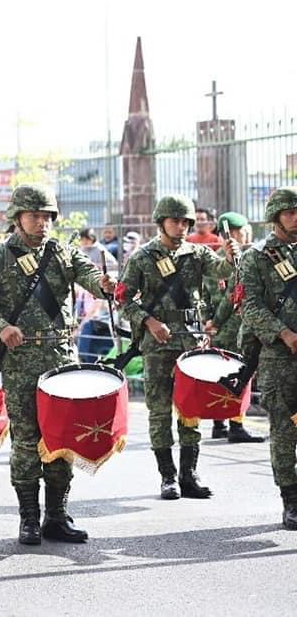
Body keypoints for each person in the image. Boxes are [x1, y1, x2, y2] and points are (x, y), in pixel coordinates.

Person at [0, 184, 113, 546]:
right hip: (19, 362)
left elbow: (90, 278)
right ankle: (28, 518)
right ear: (17, 218)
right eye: (35, 215)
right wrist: (0, 327)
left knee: (62, 440)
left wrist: (105, 285)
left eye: (48, 216)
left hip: (61, 358)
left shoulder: (63, 253)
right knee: (28, 442)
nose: (42, 222)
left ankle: (57, 516)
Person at [118, 195, 237, 501]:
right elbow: (123, 299)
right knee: (159, 412)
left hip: (191, 342)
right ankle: (167, 476)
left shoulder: (197, 253)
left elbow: (222, 272)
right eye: (175, 221)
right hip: (158, 343)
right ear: (161, 223)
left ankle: (189, 474)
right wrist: (148, 322)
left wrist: (231, 255)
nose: (181, 226)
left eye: (185, 222)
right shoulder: (143, 257)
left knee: (190, 409)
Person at [239, 187, 297, 530]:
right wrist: (284, 333)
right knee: (285, 428)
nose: (295, 218)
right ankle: (291, 500)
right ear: (275, 217)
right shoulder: (257, 256)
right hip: (278, 356)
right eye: (288, 212)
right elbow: (249, 305)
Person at [204, 211, 264, 443]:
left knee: (222, 376)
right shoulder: (242, 260)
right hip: (237, 326)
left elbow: (206, 298)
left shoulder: (214, 262)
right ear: (236, 233)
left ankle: (219, 424)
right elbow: (233, 295)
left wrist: (209, 323)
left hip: (218, 329)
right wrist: (217, 322)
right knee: (241, 375)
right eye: (245, 229)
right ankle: (237, 425)